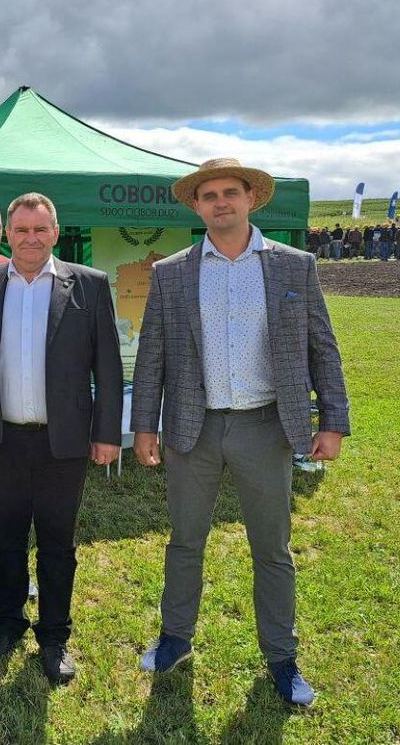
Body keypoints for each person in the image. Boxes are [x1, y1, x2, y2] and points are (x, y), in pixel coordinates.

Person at [131, 158, 350, 708]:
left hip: (265, 427)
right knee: (185, 541)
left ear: (252, 198)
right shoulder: (172, 272)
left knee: (272, 550)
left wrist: (334, 421)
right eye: (209, 195)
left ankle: (281, 657)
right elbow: (153, 354)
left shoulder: (294, 266)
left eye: (231, 192)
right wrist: (144, 427)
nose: (220, 202)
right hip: (192, 428)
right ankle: (175, 639)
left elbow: (321, 345)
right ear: (197, 205)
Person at [0, 192, 123, 686]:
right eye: (21, 230)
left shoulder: (90, 285)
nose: (30, 239)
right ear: (7, 235)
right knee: (5, 538)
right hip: (2, 439)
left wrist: (107, 434)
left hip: (65, 443)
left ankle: (54, 635)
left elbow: (109, 369)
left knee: (58, 542)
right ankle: (9, 620)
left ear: (56, 233)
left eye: (40, 230)